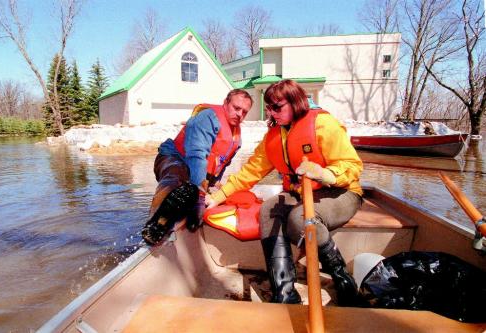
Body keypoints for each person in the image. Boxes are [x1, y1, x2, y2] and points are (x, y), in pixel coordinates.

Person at [206, 80, 363, 306]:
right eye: (268, 107)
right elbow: (250, 172)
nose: (271, 112)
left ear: (296, 103)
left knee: (300, 220)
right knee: (268, 209)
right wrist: (217, 197)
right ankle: (284, 291)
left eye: (277, 107)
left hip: (341, 191)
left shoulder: (323, 124)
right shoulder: (273, 137)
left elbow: (352, 165)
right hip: (301, 193)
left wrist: (325, 174)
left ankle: (342, 277)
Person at [142, 89, 253, 246]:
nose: (240, 114)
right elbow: (197, 155)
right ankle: (155, 225)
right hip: (173, 158)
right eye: (236, 108)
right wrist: (200, 197)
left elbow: (220, 165)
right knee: (176, 180)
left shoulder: (237, 138)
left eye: (244, 112)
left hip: (198, 174)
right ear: (226, 103)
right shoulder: (208, 118)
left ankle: (184, 216)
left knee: (205, 192)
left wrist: (213, 186)